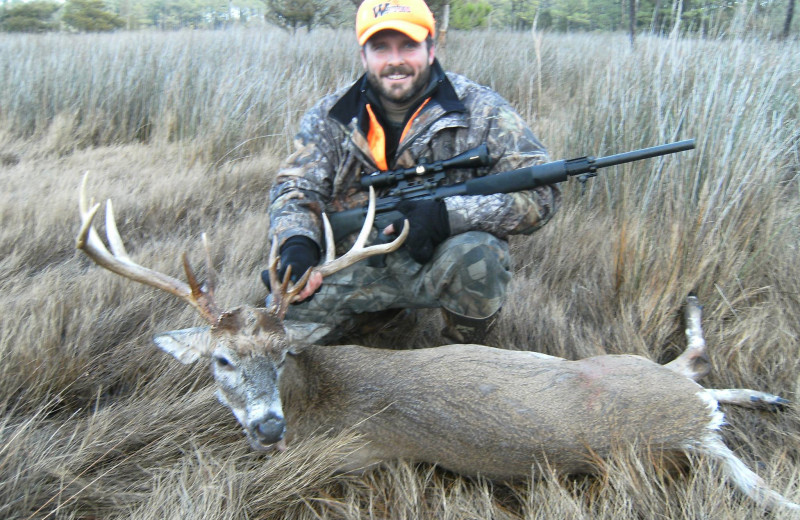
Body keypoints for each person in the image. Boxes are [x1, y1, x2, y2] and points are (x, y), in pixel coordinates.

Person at [265, 0, 560, 345]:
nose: (395, 61)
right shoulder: (329, 116)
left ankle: (466, 361)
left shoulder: (483, 109)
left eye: (408, 45)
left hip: (436, 262)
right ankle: (376, 319)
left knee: (479, 256)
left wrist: (448, 216)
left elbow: (543, 192)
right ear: (364, 56)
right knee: (284, 318)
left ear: (431, 48)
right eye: (381, 48)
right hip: (352, 264)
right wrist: (297, 247)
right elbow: (294, 190)